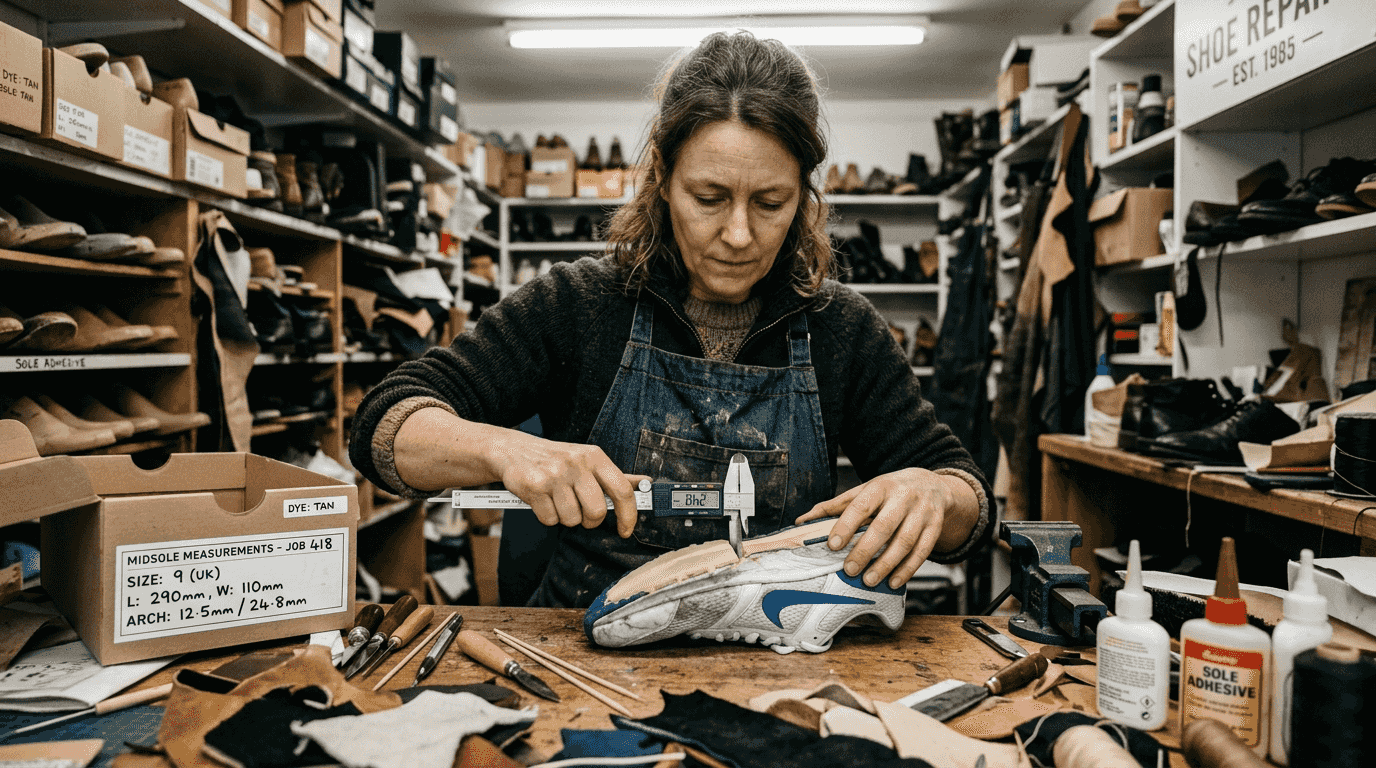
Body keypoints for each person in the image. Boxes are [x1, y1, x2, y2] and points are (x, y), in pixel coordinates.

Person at [350, 31, 991, 609]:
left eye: (771, 202)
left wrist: (934, 494)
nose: (738, 234)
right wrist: (505, 448)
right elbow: (383, 427)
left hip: (775, 654)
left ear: (804, 195)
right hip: (585, 652)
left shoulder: (840, 329)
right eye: (709, 198)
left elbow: (970, 504)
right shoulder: (578, 306)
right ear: (662, 178)